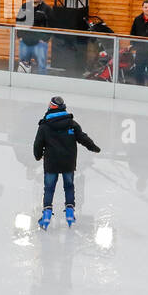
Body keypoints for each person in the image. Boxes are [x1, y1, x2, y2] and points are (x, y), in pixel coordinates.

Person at [32, 95, 100, 231]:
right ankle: (70, 211)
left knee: (49, 188)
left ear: (51, 107)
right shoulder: (71, 124)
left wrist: (38, 156)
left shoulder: (44, 126)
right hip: (68, 162)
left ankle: (46, 214)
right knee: (69, 186)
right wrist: (94, 147)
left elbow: (38, 143)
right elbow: (83, 138)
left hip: (51, 163)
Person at [15, 0, 51, 73]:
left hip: (40, 43)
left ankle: (41, 84)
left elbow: (50, 25)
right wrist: (20, 36)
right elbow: (19, 21)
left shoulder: (46, 8)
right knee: (23, 65)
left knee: (42, 66)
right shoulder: (24, 6)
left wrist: (45, 39)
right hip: (25, 42)